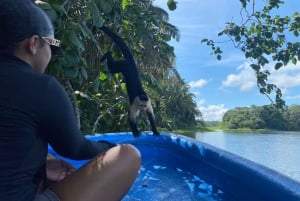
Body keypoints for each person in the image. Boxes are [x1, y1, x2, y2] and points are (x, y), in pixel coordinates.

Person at [0, 1, 141, 201]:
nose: (52, 54)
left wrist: (41, 167)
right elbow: (76, 148)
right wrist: (109, 148)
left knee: (46, 157)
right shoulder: (42, 87)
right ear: (33, 44)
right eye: (52, 47)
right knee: (128, 155)